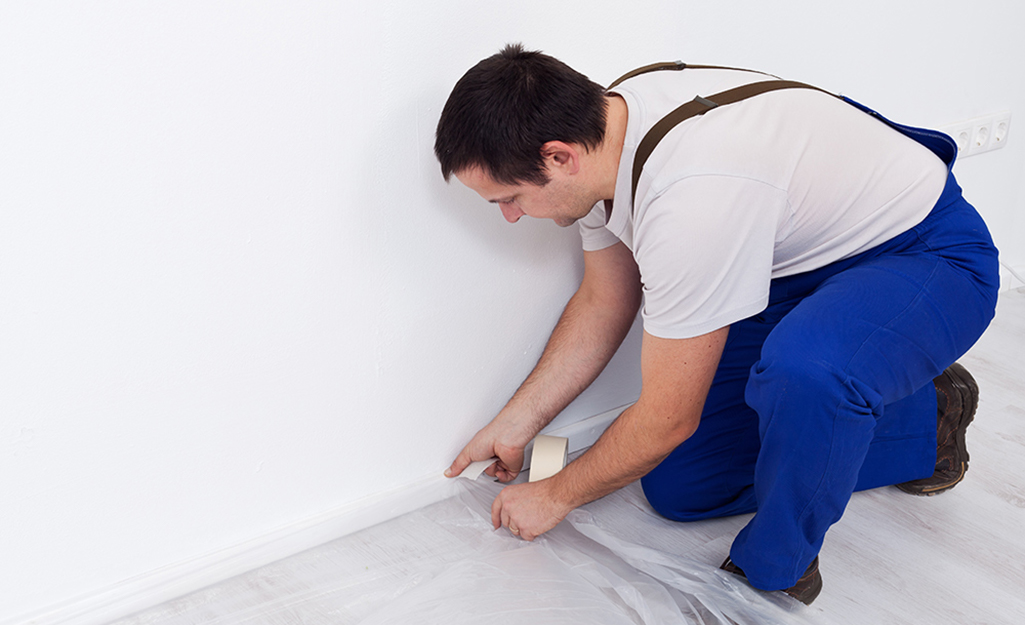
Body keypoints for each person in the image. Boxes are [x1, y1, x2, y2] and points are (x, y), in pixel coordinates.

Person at [434, 44, 999, 605]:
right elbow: (605, 301)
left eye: (508, 198)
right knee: (683, 486)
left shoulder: (691, 200)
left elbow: (666, 420)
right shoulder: (607, 132)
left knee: (806, 373)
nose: (509, 216)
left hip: (925, 255)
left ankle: (775, 571)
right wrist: (518, 422)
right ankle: (930, 415)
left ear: (558, 157)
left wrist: (555, 495)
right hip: (798, 264)